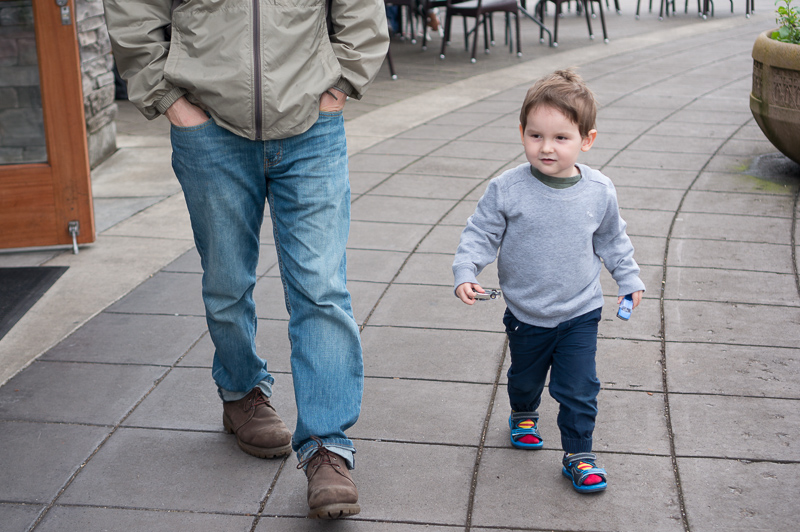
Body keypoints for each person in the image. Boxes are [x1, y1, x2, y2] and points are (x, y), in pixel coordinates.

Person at [103, 0, 389, 519]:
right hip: (208, 129)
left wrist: (339, 84)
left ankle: (327, 446)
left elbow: (360, 10)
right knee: (228, 281)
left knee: (321, 287)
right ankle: (241, 392)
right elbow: (132, 9)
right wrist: (170, 99)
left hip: (311, 126)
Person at [452, 69, 645, 494]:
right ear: (522, 133)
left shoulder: (599, 190)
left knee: (579, 387)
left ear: (586, 140)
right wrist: (466, 271)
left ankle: (579, 454)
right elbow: (480, 233)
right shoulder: (507, 188)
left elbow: (613, 238)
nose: (546, 147)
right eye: (536, 135)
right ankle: (523, 411)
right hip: (527, 312)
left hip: (580, 310)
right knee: (525, 377)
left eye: (561, 138)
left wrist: (628, 278)